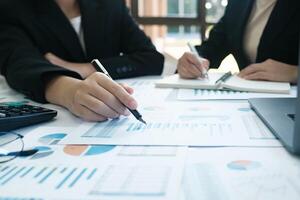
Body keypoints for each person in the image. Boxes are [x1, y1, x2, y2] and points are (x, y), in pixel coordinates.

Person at [0, 0, 164, 121]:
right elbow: (17, 62)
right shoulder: (11, 8)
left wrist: (83, 69)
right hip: (60, 118)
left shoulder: (111, 4)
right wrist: (69, 91)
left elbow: (152, 59)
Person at [177, 0, 299, 83]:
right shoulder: (238, 3)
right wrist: (192, 62)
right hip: (247, 100)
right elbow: (212, 47)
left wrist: (295, 73)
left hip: (290, 103)